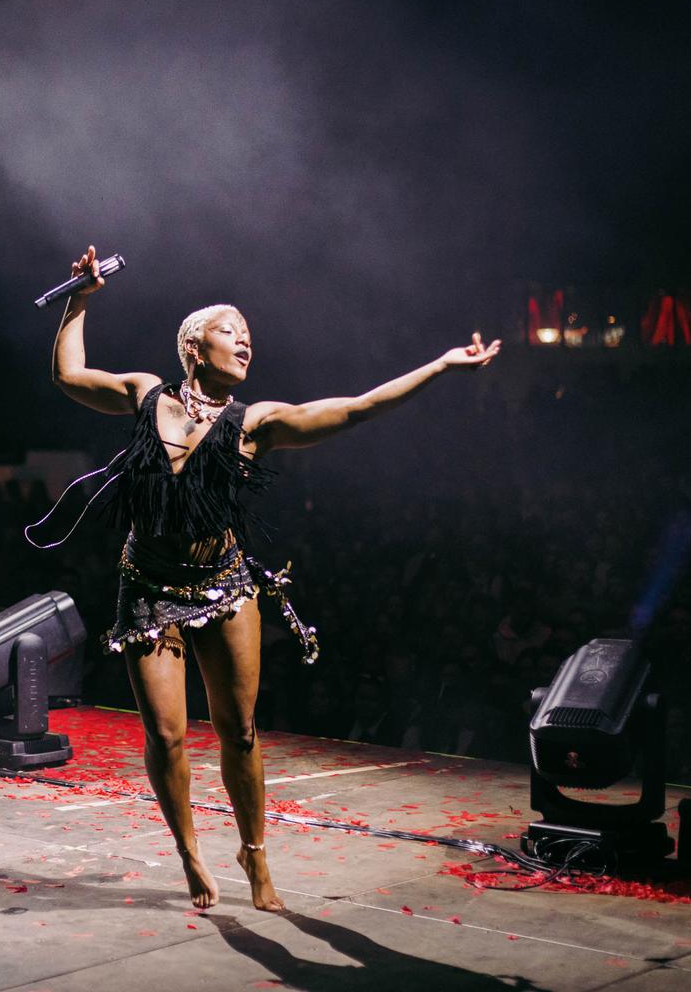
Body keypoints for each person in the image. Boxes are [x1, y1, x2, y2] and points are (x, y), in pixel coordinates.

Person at [48, 245, 500, 911]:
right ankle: (190, 852)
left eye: (249, 337)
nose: (245, 342)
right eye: (232, 331)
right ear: (194, 346)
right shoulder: (145, 394)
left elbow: (357, 408)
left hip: (225, 586)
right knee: (167, 735)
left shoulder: (255, 424)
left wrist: (440, 366)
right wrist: (79, 298)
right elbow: (68, 374)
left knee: (238, 730)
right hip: (147, 588)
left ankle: (254, 853)